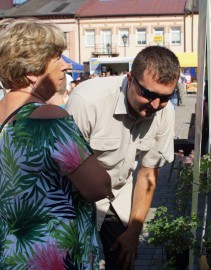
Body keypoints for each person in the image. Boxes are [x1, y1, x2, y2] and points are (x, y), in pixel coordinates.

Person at [0, 18, 111, 269]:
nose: (65, 66)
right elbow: (98, 187)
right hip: (53, 257)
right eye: (57, 57)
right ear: (32, 71)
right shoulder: (49, 119)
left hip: (10, 255)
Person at [66, 46, 180, 270]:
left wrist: (134, 231)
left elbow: (148, 174)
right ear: (130, 79)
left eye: (165, 97)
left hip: (117, 194)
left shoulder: (164, 113)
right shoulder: (87, 101)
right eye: (148, 94)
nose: (155, 105)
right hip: (74, 195)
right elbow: (65, 167)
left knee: (123, 260)